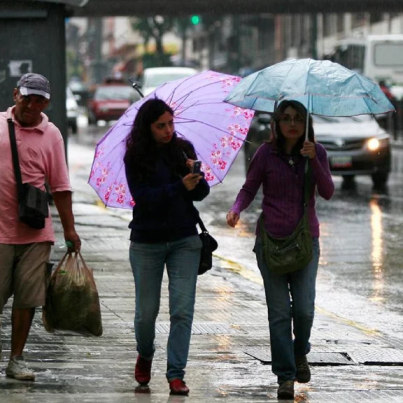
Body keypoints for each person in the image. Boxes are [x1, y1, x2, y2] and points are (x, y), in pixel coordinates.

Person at [226, 100, 334, 400]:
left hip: (305, 243)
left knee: (304, 309)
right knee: (278, 314)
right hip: (270, 243)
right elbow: (249, 188)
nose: (292, 124)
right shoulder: (265, 153)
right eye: (285, 118)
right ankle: (285, 377)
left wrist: (314, 161)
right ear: (276, 123)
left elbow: (327, 192)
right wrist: (236, 210)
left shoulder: (317, 152)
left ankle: (301, 352)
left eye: (298, 118)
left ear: (306, 123)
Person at [123, 98, 210, 396]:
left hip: (185, 241)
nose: (168, 130)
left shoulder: (182, 150)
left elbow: (201, 193)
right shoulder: (135, 155)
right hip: (146, 242)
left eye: (171, 123)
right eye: (161, 126)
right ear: (148, 127)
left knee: (182, 311)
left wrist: (195, 176)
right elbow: (143, 198)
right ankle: (145, 353)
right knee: (146, 314)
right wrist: (178, 187)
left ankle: (176, 374)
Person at [0, 73, 81, 381]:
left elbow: (60, 186)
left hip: (36, 231)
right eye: (27, 97)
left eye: (39, 99)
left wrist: (70, 231)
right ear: (15, 95)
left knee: (28, 297)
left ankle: (16, 359)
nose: (32, 105)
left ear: (47, 102)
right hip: (0, 231)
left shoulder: (52, 134)